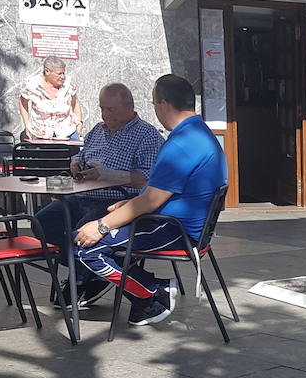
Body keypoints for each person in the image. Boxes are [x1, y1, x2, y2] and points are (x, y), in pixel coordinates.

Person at [72, 74, 227, 327]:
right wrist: (125, 207)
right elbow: (158, 192)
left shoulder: (183, 143)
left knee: (85, 245)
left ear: (163, 104)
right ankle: (150, 292)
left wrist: (101, 226)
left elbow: (151, 201)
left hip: (173, 228)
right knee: (100, 231)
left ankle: (152, 294)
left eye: (154, 104)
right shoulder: (199, 133)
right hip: (177, 223)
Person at [39, 83, 164, 307]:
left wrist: (111, 175)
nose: (106, 114)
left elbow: (148, 178)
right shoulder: (98, 130)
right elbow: (82, 154)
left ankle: (82, 279)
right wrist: (76, 163)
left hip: (119, 200)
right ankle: (97, 270)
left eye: (112, 109)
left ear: (129, 107)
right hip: (83, 194)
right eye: (102, 108)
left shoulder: (147, 135)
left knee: (80, 231)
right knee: (43, 222)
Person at [18, 57, 83, 141]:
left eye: (63, 73)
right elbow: (23, 102)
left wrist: (79, 122)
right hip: (40, 132)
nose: (62, 77)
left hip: (67, 131)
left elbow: (76, 102)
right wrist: (27, 125)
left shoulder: (68, 84)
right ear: (47, 71)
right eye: (59, 74)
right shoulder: (32, 85)